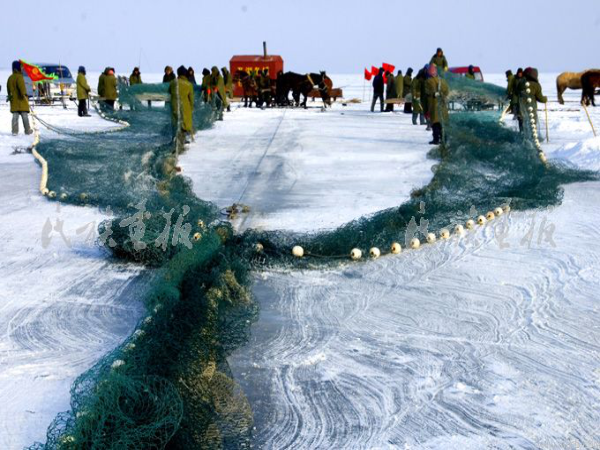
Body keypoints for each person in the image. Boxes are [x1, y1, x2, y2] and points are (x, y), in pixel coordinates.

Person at [516, 67, 547, 134]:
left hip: (521, 109)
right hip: (531, 109)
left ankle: (522, 137)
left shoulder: (521, 83)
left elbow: (517, 93)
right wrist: (545, 99)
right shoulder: (536, 85)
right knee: (532, 126)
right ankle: (532, 138)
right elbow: (540, 98)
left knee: (522, 128)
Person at [424, 64, 449, 145]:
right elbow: (446, 92)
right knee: (442, 123)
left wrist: (434, 94)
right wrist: (442, 94)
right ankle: (444, 139)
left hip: (433, 105)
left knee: (435, 123)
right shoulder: (442, 81)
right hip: (442, 105)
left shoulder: (428, 81)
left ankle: (436, 139)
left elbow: (427, 92)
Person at [169, 65, 194, 144]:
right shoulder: (188, 84)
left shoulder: (173, 82)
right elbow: (191, 99)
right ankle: (182, 140)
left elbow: (169, 91)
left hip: (174, 106)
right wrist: (191, 108)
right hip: (185, 106)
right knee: (184, 123)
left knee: (176, 122)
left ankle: (176, 139)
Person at [7, 61, 32, 135]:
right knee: (24, 116)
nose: (22, 68)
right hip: (22, 100)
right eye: (21, 67)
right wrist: (25, 95)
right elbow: (22, 88)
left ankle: (14, 131)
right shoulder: (19, 77)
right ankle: (27, 130)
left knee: (15, 116)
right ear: (18, 68)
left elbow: (8, 89)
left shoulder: (10, 78)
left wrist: (10, 96)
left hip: (14, 101)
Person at [421, 64, 431, 130]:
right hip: (424, 96)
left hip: (430, 96)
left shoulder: (431, 77)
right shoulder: (423, 77)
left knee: (429, 111)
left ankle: (429, 125)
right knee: (426, 111)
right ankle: (429, 125)